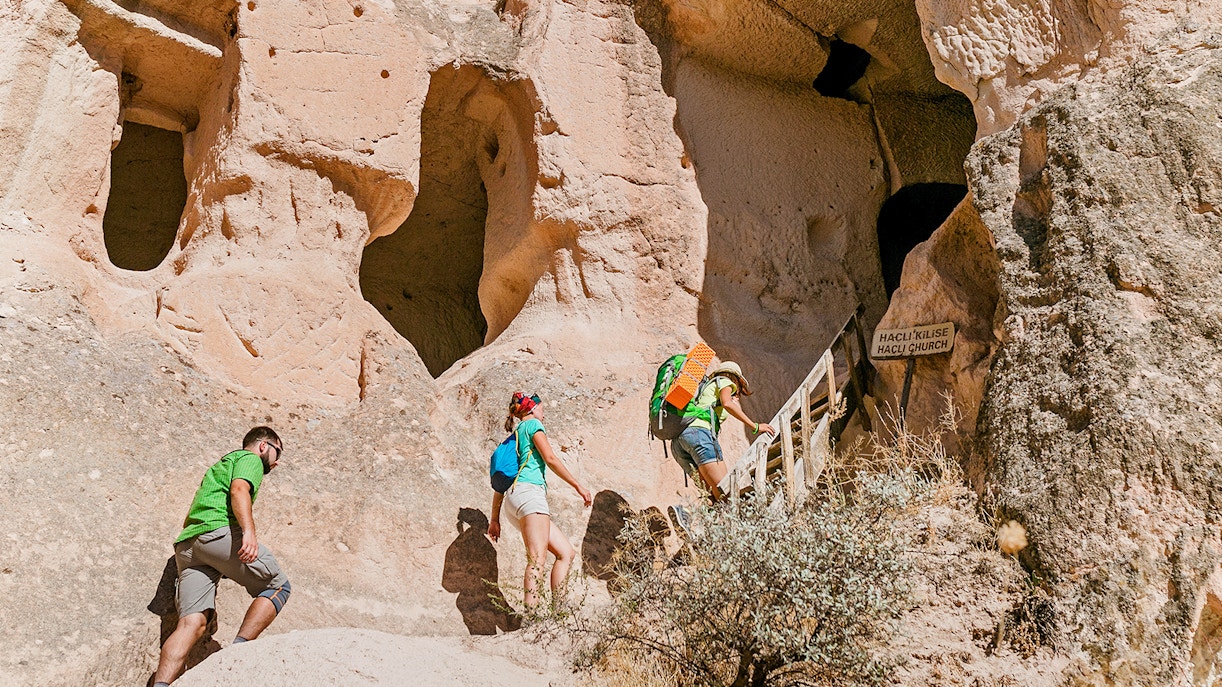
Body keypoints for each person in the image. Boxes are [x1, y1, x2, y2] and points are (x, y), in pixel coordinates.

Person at [152, 427, 292, 686]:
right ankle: (236, 654)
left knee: (192, 624)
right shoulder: (249, 459)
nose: (277, 461)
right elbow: (239, 490)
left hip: (189, 546)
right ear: (263, 446)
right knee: (278, 587)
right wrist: (248, 533)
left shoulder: (222, 464)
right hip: (217, 533)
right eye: (277, 452)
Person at [487, 392, 593, 610]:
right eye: (542, 408)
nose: (544, 414)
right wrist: (578, 486)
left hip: (514, 500)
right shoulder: (533, 425)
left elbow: (502, 480)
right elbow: (551, 458)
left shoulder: (515, 435)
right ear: (533, 409)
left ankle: (559, 613)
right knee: (536, 560)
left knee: (565, 553)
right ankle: (532, 617)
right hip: (529, 495)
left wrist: (494, 519)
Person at [671, 361, 776, 505]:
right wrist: (755, 426)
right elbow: (727, 403)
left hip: (679, 443)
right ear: (736, 379)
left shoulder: (705, 389)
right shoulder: (725, 381)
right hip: (699, 436)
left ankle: (691, 517)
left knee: (713, 495)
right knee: (726, 493)